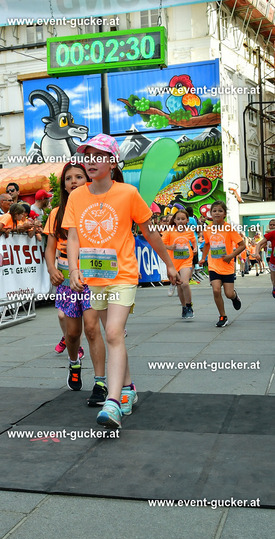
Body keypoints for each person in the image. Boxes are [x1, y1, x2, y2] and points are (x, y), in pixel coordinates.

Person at [64, 134, 179, 429]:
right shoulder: (77, 196)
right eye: (87, 156)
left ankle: (112, 402)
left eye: (98, 156)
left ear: (113, 162)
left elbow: (150, 232)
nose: (91, 162)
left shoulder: (128, 193)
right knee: (112, 335)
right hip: (93, 278)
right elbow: (73, 236)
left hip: (123, 275)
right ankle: (128, 388)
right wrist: (74, 269)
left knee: (114, 332)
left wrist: (169, 264)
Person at [43, 161, 110, 401]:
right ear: (63, 185)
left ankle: (100, 382)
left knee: (92, 329)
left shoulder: (98, 208)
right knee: (72, 334)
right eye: (69, 178)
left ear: (88, 180)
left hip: (92, 278)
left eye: (79, 177)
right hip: (66, 282)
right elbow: (49, 248)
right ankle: (74, 363)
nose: (74, 181)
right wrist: (52, 269)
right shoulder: (56, 213)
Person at [199, 200, 245, 327]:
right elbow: (207, 244)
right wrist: (203, 258)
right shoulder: (208, 229)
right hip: (213, 265)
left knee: (228, 294)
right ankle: (222, 316)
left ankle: (234, 296)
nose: (217, 213)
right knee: (216, 290)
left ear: (224, 214)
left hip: (227, 266)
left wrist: (231, 256)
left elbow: (242, 245)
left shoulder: (228, 228)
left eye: (220, 211)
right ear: (210, 213)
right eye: (214, 211)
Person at [162, 206, 197, 319]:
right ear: (175, 220)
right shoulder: (169, 231)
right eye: (178, 219)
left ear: (187, 220)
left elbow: (193, 240)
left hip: (186, 261)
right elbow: (161, 245)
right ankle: (184, 307)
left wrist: (195, 248)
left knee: (184, 283)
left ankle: (189, 305)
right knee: (179, 286)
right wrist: (170, 247)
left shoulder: (189, 231)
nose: (181, 221)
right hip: (174, 262)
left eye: (183, 219)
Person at [254, 218, 275, 297]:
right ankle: (274, 286)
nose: (272, 226)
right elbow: (260, 244)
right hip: (271, 258)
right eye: (271, 225)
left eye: (274, 225)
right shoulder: (271, 234)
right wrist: (257, 253)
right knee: (273, 273)